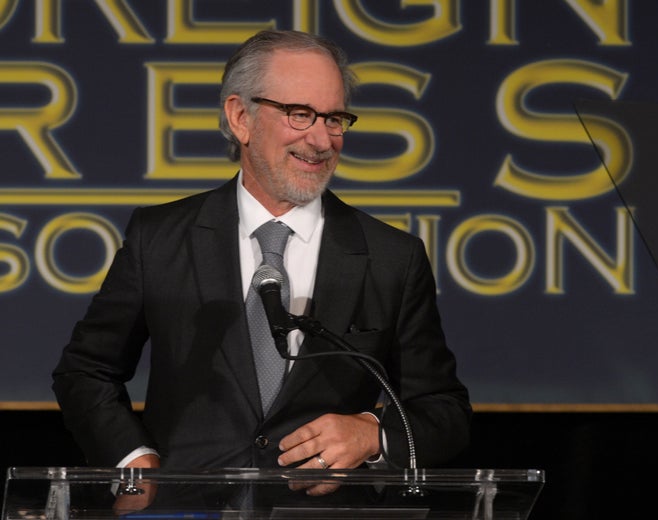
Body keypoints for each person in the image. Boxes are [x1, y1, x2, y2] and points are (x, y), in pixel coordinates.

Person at [52, 30, 471, 477]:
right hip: (188, 508)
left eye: (334, 118)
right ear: (240, 118)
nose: (322, 140)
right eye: (300, 114)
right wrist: (135, 463)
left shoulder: (392, 258)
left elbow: (443, 411)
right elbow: (86, 372)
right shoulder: (160, 239)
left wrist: (373, 434)